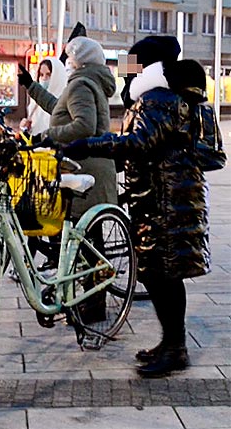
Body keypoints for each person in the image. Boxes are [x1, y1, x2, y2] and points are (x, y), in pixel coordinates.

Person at [61, 36, 210, 377]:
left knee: (164, 275)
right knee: (158, 274)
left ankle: (176, 349)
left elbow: (140, 143)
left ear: (144, 65)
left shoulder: (157, 98)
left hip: (166, 202)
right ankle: (171, 343)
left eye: (131, 64)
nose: (126, 73)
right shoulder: (154, 97)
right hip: (161, 198)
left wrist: (91, 144)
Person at [18, 36, 118, 220]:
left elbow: (84, 126)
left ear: (81, 60)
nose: (68, 63)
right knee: (86, 238)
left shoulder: (81, 84)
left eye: (70, 58)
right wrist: (32, 86)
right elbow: (60, 109)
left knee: (78, 237)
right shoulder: (90, 81)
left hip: (84, 166)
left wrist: (47, 135)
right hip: (92, 165)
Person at [19, 57, 67, 137]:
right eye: (41, 75)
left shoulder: (64, 99)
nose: (44, 78)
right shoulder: (35, 102)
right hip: (35, 147)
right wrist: (25, 127)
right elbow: (33, 127)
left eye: (48, 74)